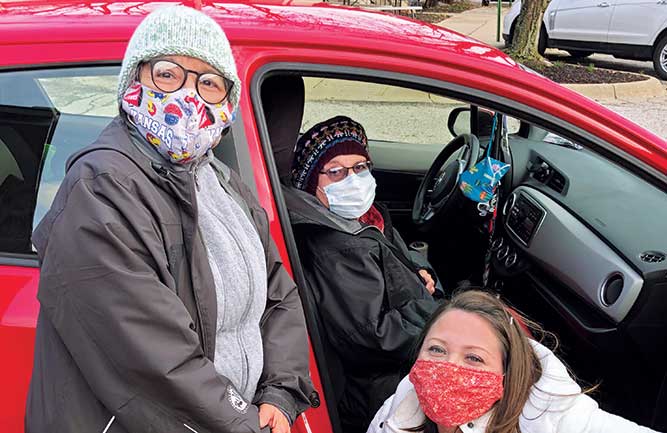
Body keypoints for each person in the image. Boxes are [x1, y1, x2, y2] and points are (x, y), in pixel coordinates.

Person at [26, 6, 314, 433]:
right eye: (167, 74)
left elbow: (278, 294)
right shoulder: (103, 188)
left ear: (227, 105)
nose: (188, 97)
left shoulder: (220, 180)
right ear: (133, 82)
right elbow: (154, 361)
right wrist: (244, 423)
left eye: (209, 83)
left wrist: (280, 392)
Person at [285, 116, 442, 433]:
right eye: (336, 172)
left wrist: (416, 267)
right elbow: (375, 337)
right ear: (310, 181)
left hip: (401, 347)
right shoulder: (335, 248)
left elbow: (388, 250)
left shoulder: (361, 219)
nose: (353, 180)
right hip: (376, 387)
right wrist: (444, 318)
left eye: (360, 167)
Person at [368, 290, 660, 433]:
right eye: (437, 350)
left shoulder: (554, 417)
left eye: (473, 357)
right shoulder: (404, 400)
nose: (449, 368)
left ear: (506, 371)